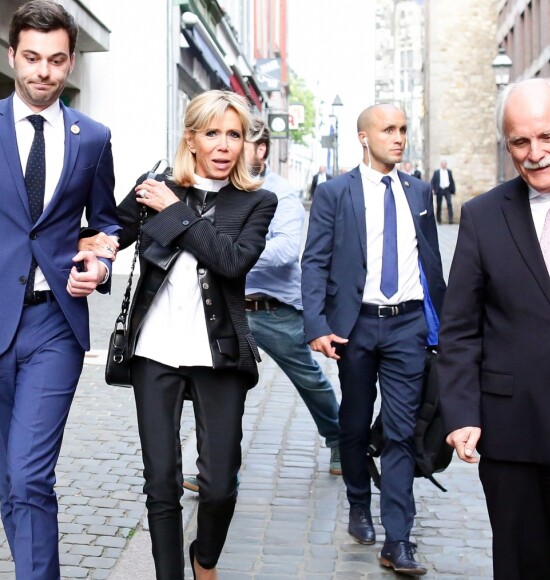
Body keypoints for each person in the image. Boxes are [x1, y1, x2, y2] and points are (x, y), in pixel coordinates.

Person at [86, 91, 277, 580]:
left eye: (233, 134)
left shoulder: (257, 201)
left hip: (220, 354)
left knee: (218, 487)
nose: (223, 145)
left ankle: (205, 558)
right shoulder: (153, 189)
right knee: (161, 483)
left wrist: (176, 211)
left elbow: (232, 261)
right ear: (190, 138)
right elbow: (108, 234)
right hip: (154, 351)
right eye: (211, 133)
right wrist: (97, 248)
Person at [437, 77, 550, 580]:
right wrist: (460, 412)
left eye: (548, 137)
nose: (535, 153)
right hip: (513, 422)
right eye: (520, 141)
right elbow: (459, 328)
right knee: (523, 566)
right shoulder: (482, 215)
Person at [0, 2, 118, 578]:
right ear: (11, 56)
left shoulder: (92, 138)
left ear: (70, 62)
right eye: (31, 58)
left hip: (54, 325)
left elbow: (107, 223)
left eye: (55, 60)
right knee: (7, 479)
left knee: (28, 474)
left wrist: (100, 263)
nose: (42, 72)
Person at [301, 103, 445, 576]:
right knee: (356, 422)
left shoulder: (419, 191)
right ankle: (359, 504)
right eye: (389, 130)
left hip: (407, 327)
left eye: (403, 130)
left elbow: (431, 264)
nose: (398, 138)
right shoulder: (335, 193)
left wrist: (440, 328)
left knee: (403, 431)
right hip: (355, 326)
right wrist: (318, 326)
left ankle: (398, 540)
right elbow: (315, 261)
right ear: (364, 137)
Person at [182, 119, 342, 494]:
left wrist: (231, 255)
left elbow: (287, 252)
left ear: (261, 149)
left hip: (272, 309)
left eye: (238, 138)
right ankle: (217, 472)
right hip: (224, 305)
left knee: (309, 379)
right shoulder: (218, 187)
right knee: (224, 389)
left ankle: (340, 442)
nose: (229, 147)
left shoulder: (281, 194)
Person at [430, 160, 456, 224]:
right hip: (439, 189)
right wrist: (433, 189)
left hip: (447, 189)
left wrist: (453, 190)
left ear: (446, 165)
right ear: (441, 165)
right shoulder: (437, 172)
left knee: (449, 204)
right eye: (442, 164)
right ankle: (439, 220)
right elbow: (433, 181)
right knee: (439, 205)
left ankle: (450, 219)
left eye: (445, 164)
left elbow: (452, 181)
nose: (444, 165)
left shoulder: (449, 172)